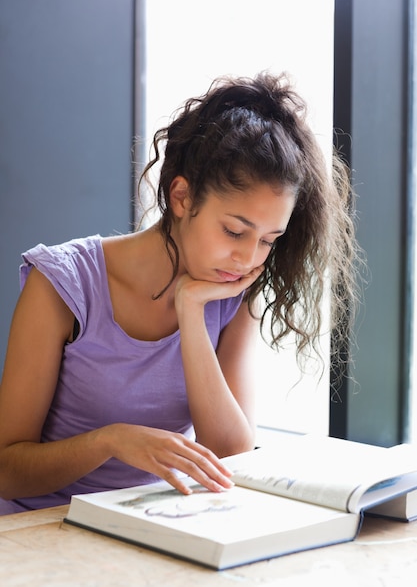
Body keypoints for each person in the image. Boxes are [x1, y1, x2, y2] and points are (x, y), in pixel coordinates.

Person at [0, 72, 360, 515]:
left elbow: (231, 455)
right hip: (36, 532)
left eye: (268, 240)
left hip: (153, 526)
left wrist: (191, 311)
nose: (248, 258)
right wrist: (110, 442)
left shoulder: (232, 294)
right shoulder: (63, 283)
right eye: (234, 231)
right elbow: (6, 468)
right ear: (182, 197)